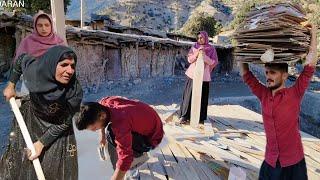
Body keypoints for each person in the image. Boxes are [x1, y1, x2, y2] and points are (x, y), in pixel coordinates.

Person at [239, 25, 318, 180]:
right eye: (267, 72)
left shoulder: (295, 93)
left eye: (273, 73)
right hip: (270, 162)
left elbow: (310, 65)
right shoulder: (263, 94)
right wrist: (243, 47)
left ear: (284, 75)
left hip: (294, 165)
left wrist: (314, 33)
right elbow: (246, 74)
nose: (268, 76)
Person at [1, 45, 83, 180]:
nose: (70, 71)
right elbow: (21, 60)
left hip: (57, 127)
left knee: (53, 169)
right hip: (32, 118)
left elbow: (65, 122)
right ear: (52, 64)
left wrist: (41, 143)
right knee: (21, 164)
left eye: (72, 66)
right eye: (64, 65)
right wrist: (11, 85)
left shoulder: (74, 92)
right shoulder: (35, 71)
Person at [75, 96, 164, 180]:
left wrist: (115, 177)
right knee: (109, 132)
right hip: (152, 122)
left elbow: (125, 158)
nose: (94, 131)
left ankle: (139, 156)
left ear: (102, 115)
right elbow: (101, 112)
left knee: (111, 133)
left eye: (94, 128)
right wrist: (102, 137)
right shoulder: (105, 103)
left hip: (153, 138)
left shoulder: (120, 123)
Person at [3, 11, 65, 97]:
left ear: (51, 26)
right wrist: (11, 86)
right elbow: (19, 63)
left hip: (54, 86)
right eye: (40, 25)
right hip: (31, 85)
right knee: (29, 107)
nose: (44, 28)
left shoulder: (59, 43)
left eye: (47, 25)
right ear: (35, 26)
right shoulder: (27, 42)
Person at [178, 31, 219, 124]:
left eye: (201, 38)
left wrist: (204, 57)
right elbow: (189, 59)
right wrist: (197, 54)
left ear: (206, 38)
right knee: (189, 96)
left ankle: (200, 118)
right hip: (192, 76)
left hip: (204, 77)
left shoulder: (211, 49)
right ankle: (185, 116)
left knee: (202, 97)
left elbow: (214, 62)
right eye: (198, 38)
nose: (199, 40)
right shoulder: (195, 47)